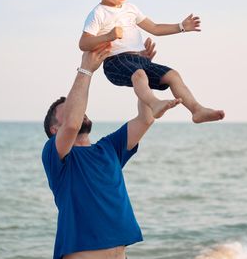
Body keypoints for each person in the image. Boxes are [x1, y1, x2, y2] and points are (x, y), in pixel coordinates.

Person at [42, 40, 167, 259]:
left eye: (77, 106)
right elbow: (71, 123)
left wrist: (140, 73)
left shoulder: (109, 147)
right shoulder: (56, 155)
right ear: (54, 129)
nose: (80, 111)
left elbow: (146, 119)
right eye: (69, 108)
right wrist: (86, 69)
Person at [79, 0, 225, 123]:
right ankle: (155, 104)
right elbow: (84, 43)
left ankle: (196, 110)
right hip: (115, 62)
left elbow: (154, 28)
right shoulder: (98, 13)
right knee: (140, 75)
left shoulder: (131, 9)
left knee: (173, 75)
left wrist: (181, 27)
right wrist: (108, 36)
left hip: (140, 60)